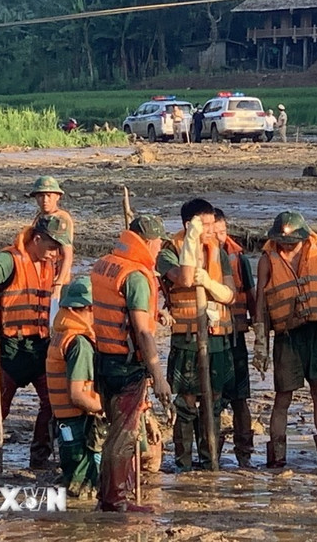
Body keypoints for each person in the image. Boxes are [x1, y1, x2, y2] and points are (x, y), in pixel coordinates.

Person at [0, 215, 72, 470]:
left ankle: (39, 459)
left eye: (58, 248)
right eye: (51, 247)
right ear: (37, 239)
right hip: (11, 349)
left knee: (53, 403)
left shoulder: (51, 263)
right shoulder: (11, 258)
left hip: (40, 348)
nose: (54, 253)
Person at [92, 214, 171, 512]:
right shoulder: (136, 276)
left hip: (105, 359)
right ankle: (115, 501)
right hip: (127, 366)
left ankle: (108, 496)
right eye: (159, 242)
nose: (159, 248)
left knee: (116, 430)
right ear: (149, 241)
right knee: (123, 436)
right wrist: (158, 376)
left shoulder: (107, 263)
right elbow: (141, 330)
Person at [255, 211, 317, 468]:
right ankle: (277, 457)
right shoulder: (267, 260)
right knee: (283, 396)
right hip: (287, 336)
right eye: (283, 241)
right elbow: (260, 300)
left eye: (293, 241)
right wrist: (261, 342)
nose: (288, 246)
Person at [158, 198, 236, 472]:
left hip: (215, 337)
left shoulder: (219, 252)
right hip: (187, 339)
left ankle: (209, 459)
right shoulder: (168, 252)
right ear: (188, 226)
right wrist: (192, 241)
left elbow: (229, 294)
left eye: (212, 223)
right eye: (203, 225)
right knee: (186, 403)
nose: (210, 230)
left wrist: (210, 283)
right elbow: (187, 278)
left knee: (213, 402)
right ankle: (183, 463)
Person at [45, 276, 104, 496]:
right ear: (89, 307)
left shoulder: (61, 333)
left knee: (74, 481)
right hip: (79, 425)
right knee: (82, 489)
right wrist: (103, 408)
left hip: (65, 423)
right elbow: (77, 394)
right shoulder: (79, 343)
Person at [214, 208, 257, 468]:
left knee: (240, 397)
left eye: (223, 232)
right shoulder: (199, 257)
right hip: (213, 336)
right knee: (214, 397)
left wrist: (258, 326)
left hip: (236, 335)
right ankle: (212, 453)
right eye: (215, 232)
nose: (220, 237)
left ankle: (245, 453)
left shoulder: (239, 259)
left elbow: (250, 293)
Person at [30, 175, 74, 301]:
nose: (45, 200)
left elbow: (68, 255)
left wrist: (59, 283)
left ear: (57, 197)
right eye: (41, 196)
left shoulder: (61, 219)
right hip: (43, 276)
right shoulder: (40, 217)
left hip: (56, 278)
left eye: (49, 195)